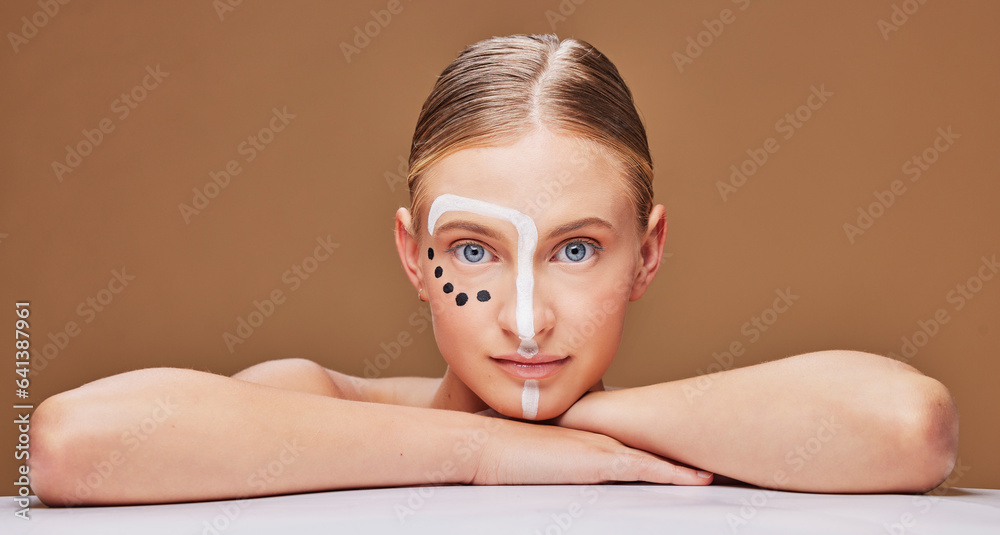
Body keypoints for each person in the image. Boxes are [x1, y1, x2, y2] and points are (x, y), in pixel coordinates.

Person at [27, 34, 958, 506]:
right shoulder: (315, 404)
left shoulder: (669, 445)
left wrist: (582, 419)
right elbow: (70, 445)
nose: (524, 320)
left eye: (576, 250)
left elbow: (911, 426)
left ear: (650, 252)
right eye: (474, 253)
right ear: (414, 258)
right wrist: (477, 450)